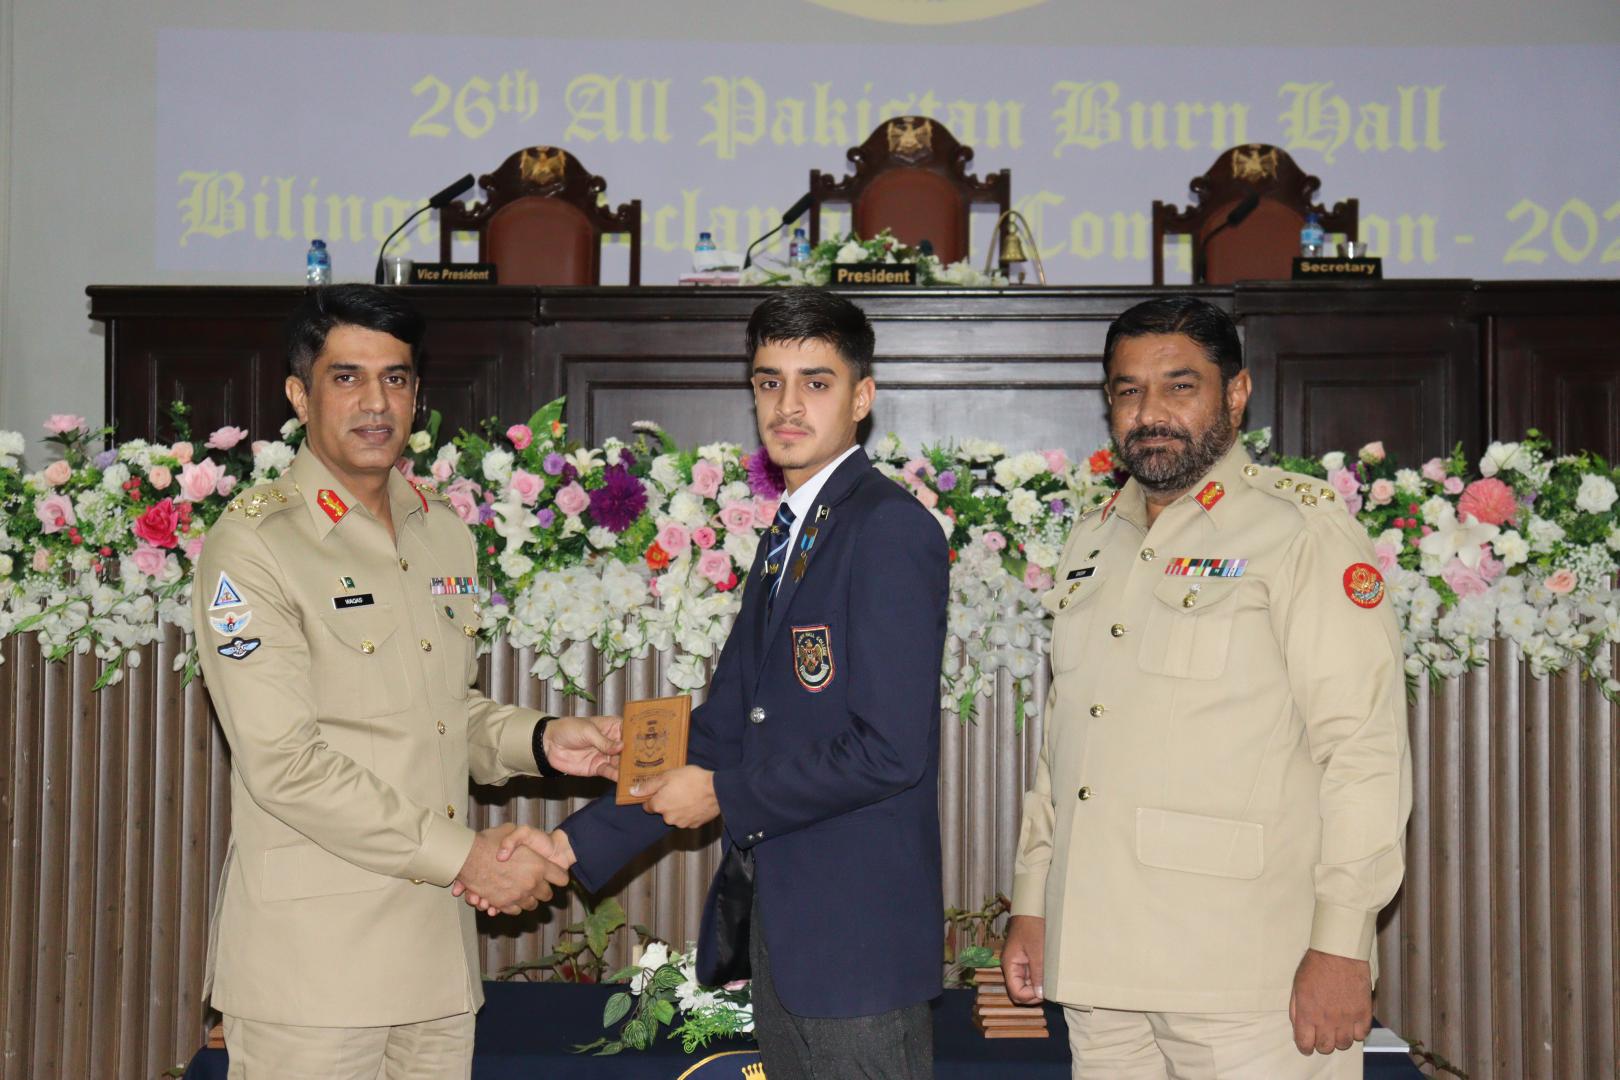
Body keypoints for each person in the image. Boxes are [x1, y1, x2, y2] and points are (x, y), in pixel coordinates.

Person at [476, 287, 951, 1079]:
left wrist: (724, 794)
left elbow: (888, 751)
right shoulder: (793, 533)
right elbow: (726, 728)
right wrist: (565, 846)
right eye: (769, 382)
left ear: (862, 397)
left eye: (816, 383)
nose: (788, 406)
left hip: (857, 950)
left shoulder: (885, 527)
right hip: (789, 946)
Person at [193, 284, 621, 1079]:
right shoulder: (256, 543)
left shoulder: (440, 530)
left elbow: (440, 713)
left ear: (417, 395)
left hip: (434, 963)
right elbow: (284, 762)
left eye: (395, 378)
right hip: (313, 975)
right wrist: (467, 857)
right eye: (347, 378)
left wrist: (543, 741)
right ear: (299, 395)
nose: (375, 402)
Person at [1000, 296, 1412, 1079]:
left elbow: (1364, 750)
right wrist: (1034, 900)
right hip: (1099, 964)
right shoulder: (1094, 540)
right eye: (1128, 391)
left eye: (1179, 387)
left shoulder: (1297, 532)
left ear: (1236, 393)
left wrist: (1341, 942)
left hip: (1247, 975)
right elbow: (1067, 742)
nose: (1149, 413)